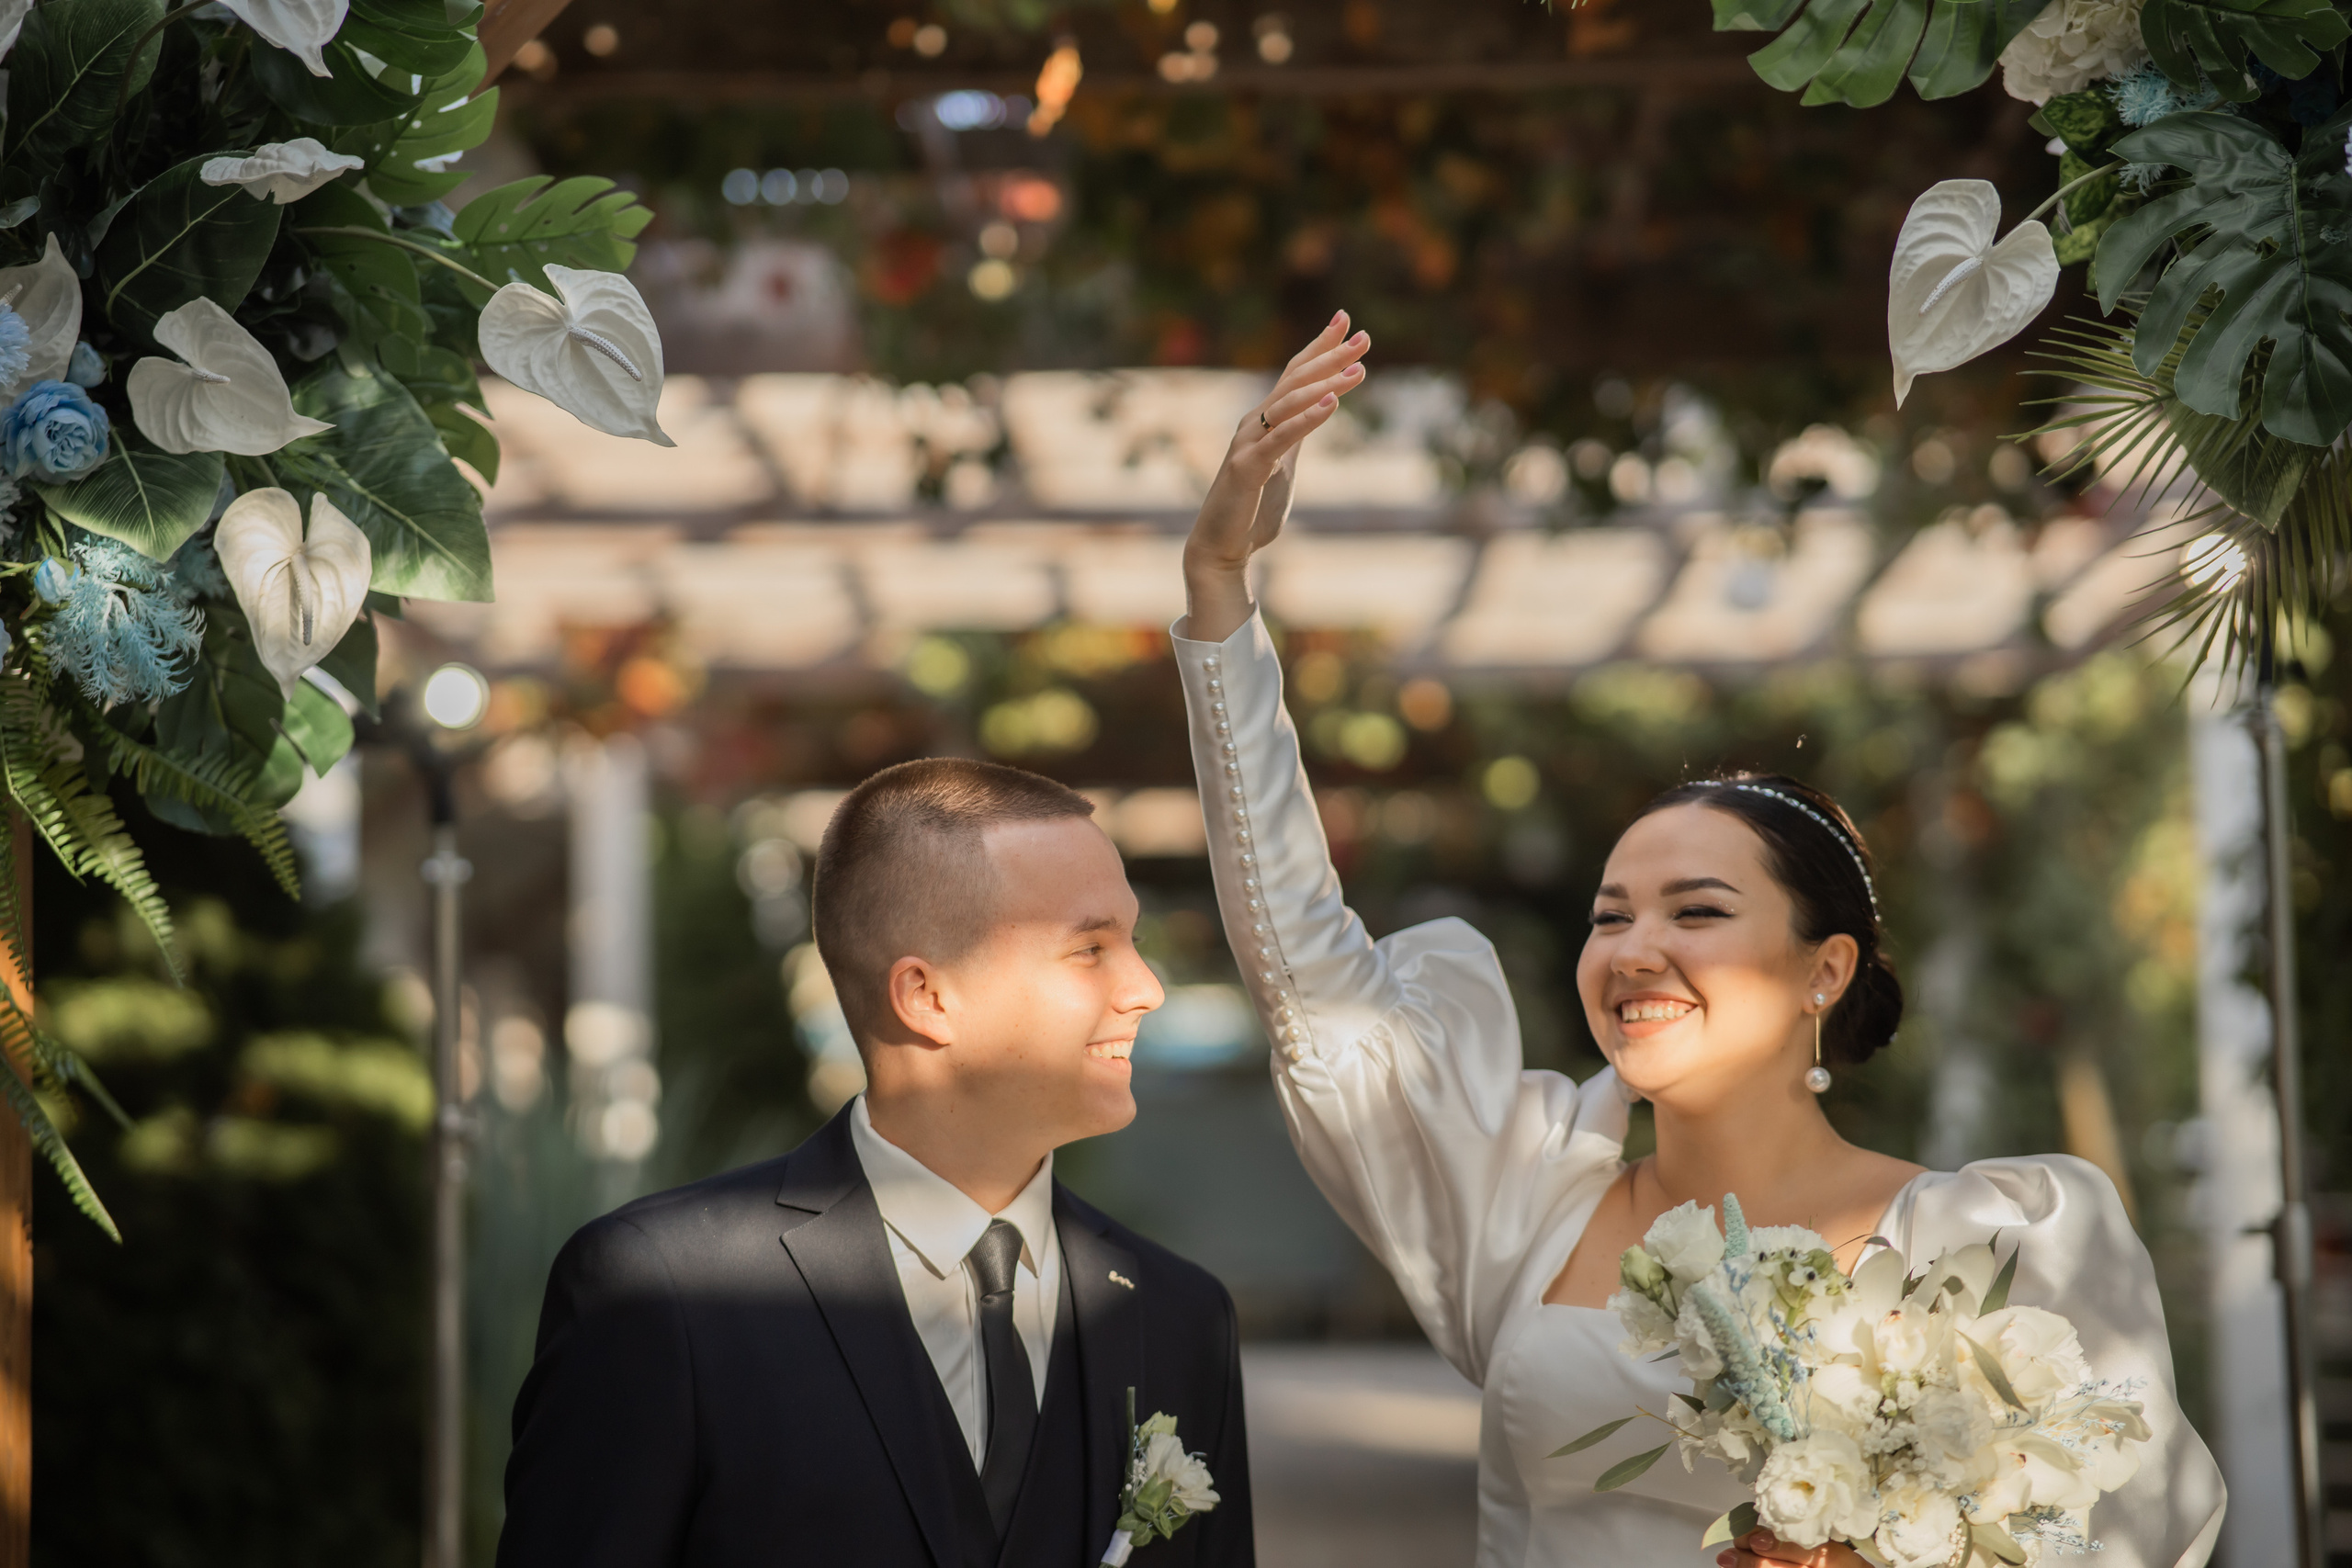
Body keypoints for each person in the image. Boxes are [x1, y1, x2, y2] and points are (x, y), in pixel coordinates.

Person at [1167, 313, 2226, 1567]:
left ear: (1822, 970)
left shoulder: (1997, 1242)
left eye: (1699, 910)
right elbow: (1306, 974)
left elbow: (2140, 1528)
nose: (1636, 946)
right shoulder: (1516, 1205)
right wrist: (1219, 592)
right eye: (1612, 912)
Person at [496, 759, 1254, 1568]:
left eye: (1130, 941)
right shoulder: (665, 1292)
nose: (1146, 987)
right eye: (1091, 947)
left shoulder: (1179, 1316)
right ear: (926, 995)